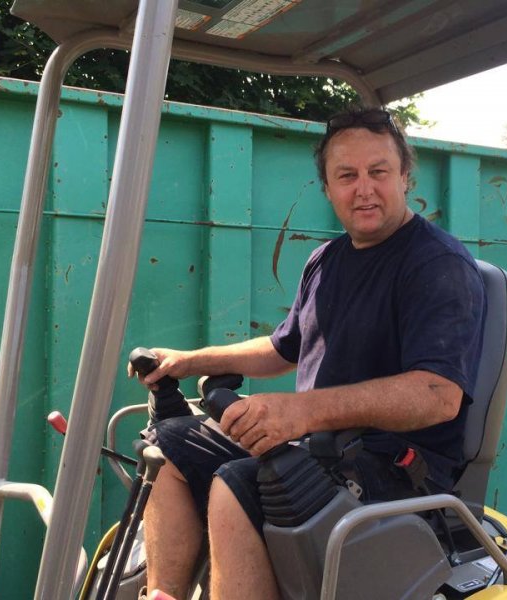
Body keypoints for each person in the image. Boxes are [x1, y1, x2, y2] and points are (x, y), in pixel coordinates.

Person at [129, 106, 486, 600]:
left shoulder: (436, 265)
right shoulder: (326, 261)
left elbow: (438, 395)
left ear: (405, 176)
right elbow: (283, 349)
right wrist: (191, 362)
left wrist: (300, 412)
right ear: (328, 188)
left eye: (379, 171)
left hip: (398, 470)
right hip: (321, 449)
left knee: (235, 483)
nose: (364, 188)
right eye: (347, 175)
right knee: (170, 447)